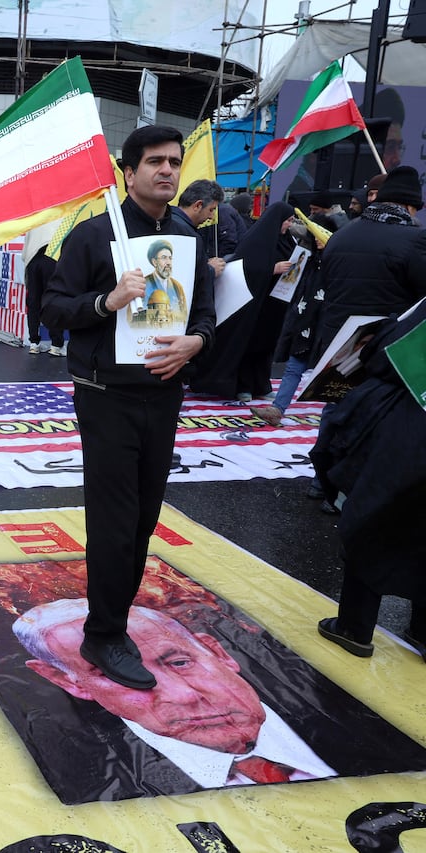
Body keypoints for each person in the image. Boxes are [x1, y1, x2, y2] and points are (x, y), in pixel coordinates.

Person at [41, 124, 215, 690]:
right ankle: (105, 633)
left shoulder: (186, 234)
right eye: (154, 162)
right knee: (115, 524)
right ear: (128, 170)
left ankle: (114, 615)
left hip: (163, 397)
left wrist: (197, 343)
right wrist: (106, 300)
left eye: (173, 162)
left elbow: (205, 317)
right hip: (106, 397)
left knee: (143, 520)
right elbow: (54, 308)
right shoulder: (94, 236)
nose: (166, 171)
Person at [15, 599, 338, 790]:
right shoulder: (77, 772)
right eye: (116, 674)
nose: (184, 695)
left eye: (181, 662)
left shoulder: (328, 706)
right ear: (71, 683)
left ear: (216, 651)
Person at [311, 299, 426, 661]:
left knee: (369, 520)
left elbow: (389, 355)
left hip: (407, 432)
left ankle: (354, 627)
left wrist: (380, 332)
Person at [308, 165, 426, 362]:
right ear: (408, 206)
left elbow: (326, 285)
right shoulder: (415, 239)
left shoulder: (339, 237)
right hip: (384, 348)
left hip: (336, 346)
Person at [190, 202, 296, 402]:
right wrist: (271, 270)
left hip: (274, 304)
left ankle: (261, 385)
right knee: (249, 343)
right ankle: (243, 386)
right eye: (287, 221)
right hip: (253, 304)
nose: (289, 225)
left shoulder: (286, 241)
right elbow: (246, 267)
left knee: (266, 345)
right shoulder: (257, 241)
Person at [250, 213, 337, 427]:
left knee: (333, 371)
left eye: (322, 234)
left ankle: (334, 416)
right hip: (305, 319)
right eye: (314, 234)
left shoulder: (338, 261)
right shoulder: (308, 257)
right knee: (294, 366)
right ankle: (277, 409)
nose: (318, 239)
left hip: (329, 321)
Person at [24, 245, 65, 355]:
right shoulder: (57, 226)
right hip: (53, 256)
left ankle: (34, 343)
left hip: (33, 257)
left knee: (33, 301)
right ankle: (56, 345)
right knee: (53, 299)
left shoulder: (32, 226)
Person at [142, 239, 188, 321]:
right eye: (164, 258)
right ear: (154, 262)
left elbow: (184, 316)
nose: (168, 262)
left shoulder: (177, 287)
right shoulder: (143, 284)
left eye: (170, 258)